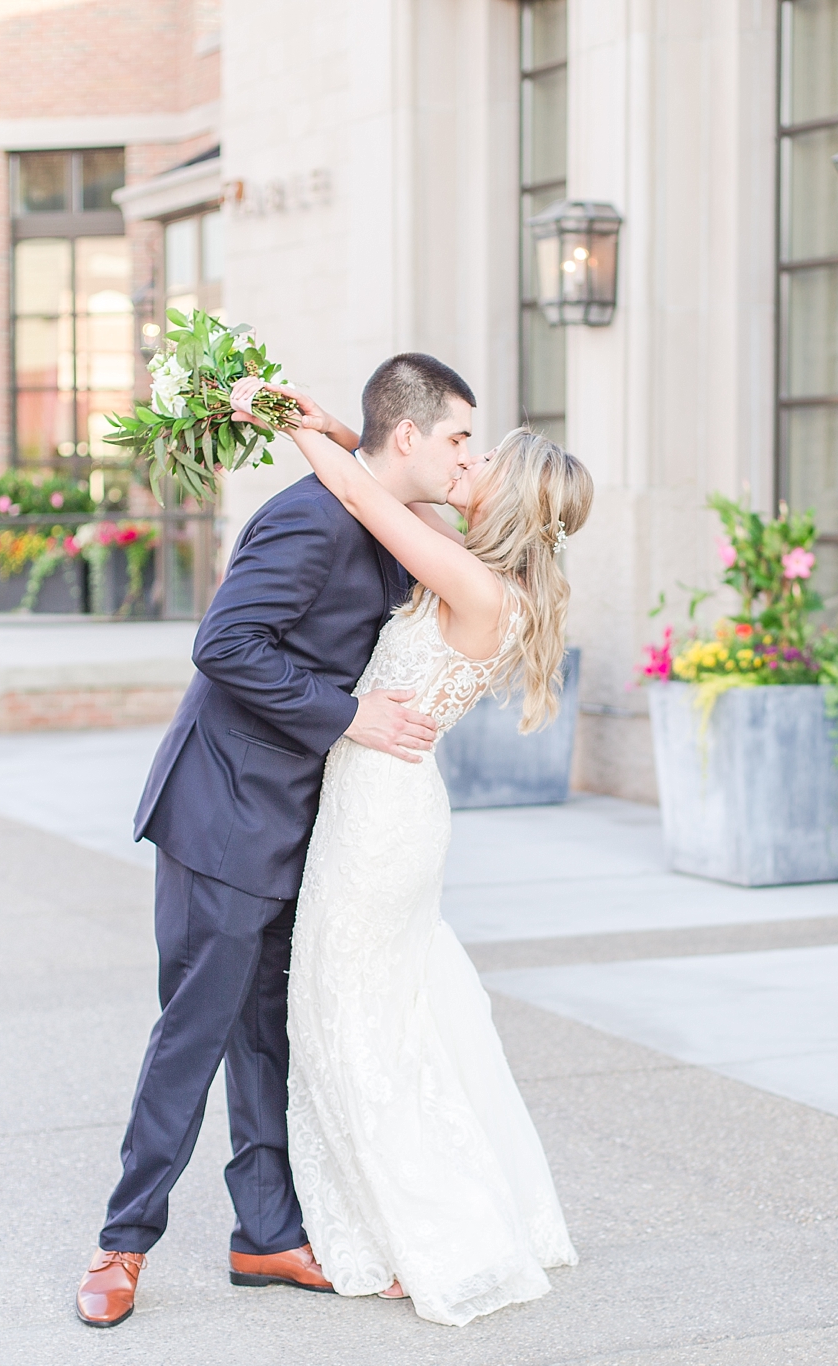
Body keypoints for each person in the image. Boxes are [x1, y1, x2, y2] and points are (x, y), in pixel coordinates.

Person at [76, 354, 477, 1328]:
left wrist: (334, 434)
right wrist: (347, 714)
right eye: (459, 436)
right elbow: (223, 644)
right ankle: (121, 1243)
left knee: (268, 1031)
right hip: (223, 812)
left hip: (301, 822)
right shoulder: (309, 519)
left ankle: (264, 1235)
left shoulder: (381, 516)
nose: (469, 454)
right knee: (196, 1030)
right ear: (410, 434)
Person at [234, 374, 591, 1326]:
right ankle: (395, 1210)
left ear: (504, 497)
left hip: (381, 821)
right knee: (382, 1014)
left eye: (481, 459)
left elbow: (361, 491)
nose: (463, 461)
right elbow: (388, 468)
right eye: (463, 445)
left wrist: (279, 422)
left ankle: (418, 1229)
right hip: (383, 807)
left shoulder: (470, 581)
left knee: (355, 1022)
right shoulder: (488, 580)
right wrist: (334, 423)